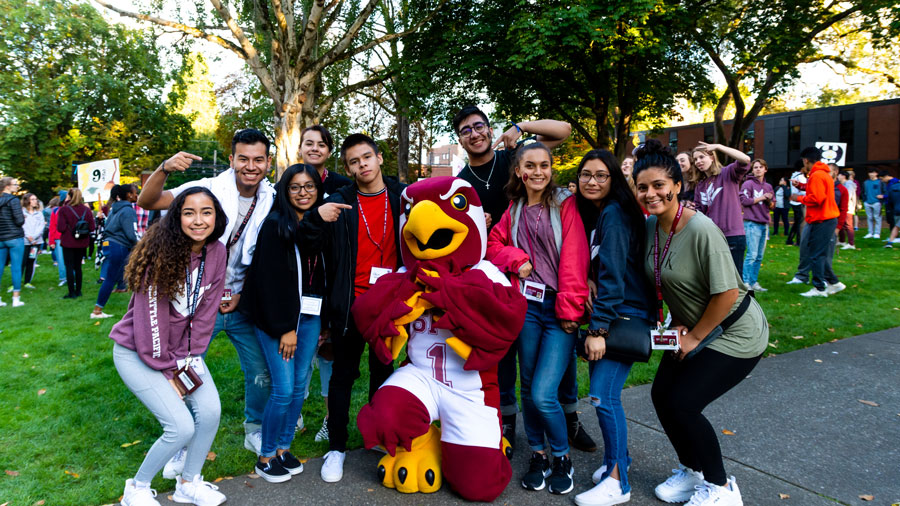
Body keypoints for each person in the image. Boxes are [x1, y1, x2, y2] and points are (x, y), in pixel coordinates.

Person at [633, 139, 767, 506]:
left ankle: (722, 489)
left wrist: (693, 337)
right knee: (661, 395)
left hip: (735, 330)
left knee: (684, 404)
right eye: (642, 187)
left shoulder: (701, 229)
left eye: (659, 185)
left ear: (677, 185)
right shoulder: (651, 227)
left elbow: (724, 294)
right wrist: (678, 322)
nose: (651, 193)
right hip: (693, 326)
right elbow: (673, 281)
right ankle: (692, 472)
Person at [451, 106, 592, 454]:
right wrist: (476, 224)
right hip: (496, 276)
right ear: (460, 139)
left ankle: (569, 419)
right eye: (466, 130)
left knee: (559, 359)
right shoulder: (460, 181)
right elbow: (456, 229)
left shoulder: (515, 156)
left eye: (479, 126)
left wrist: (521, 125)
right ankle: (510, 424)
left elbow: (562, 130)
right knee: (509, 359)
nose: (475, 133)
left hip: (547, 277)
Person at [137, 128, 277, 470]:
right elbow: (148, 201)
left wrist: (241, 293)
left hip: (239, 301)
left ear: (268, 163)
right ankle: (182, 440)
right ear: (231, 160)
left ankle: (254, 428)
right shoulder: (208, 190)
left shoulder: (271, 197)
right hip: (195, 303)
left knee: (261, 371)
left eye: (258, 159)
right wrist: (165, 168)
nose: (250, 166)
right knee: (181, 370)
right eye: (243, 158)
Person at [110, 188, 228, 506]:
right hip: (137, 352)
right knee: (179, 426)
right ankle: (136, 487)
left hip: (179, 355)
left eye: (207, 212)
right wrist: (167, 370)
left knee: (211, 411)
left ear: (217, 216)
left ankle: (188, 483)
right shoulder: (162, 253)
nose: (198, 220)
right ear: (177, 217)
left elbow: (206, 312)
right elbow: (152, 321)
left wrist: (190, 357)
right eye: (189, 212)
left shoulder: (216, 252)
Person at [486, 142, 589, 495]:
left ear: (551, 167)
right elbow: (493, 244)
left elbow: (575, 259)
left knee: (545, 392)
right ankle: (539, 454)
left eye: (544, 165)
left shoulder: (566, 204)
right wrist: (516, 259)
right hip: (527, 309)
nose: (538, 172)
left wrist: (571, 310)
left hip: (560, 310)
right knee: (528, 387)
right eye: (530, 165)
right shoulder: (513, 210)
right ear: (518, 170)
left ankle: (562, 455)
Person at [240, 163, 350, 483]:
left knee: (300, 385)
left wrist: (325, 320)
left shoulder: (322, 225)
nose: (303, 193)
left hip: (312, 315)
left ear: (319, 189)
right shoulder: (276, 225)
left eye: (309, 187)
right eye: (295, 187)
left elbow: (325, 276)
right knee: (284, 390)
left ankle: (284, 448)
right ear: (285, 192)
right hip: (279, 320)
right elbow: (269, 283)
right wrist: (286, 327)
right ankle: (266, 454)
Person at [318, 133, 407, 483]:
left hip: (391, 303)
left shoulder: (404, 197)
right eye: (354, 162)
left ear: (380, 157)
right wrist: (317, 215)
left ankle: (380, 438)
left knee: (384, 374)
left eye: (367, 157)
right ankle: (336, 449)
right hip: (352, 304)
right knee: (343, 376)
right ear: (348, 167)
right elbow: (313, 242)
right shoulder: (341, 201)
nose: (362, 165)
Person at [572, 150, 654, 506]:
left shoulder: (616, 214)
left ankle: (618, 481)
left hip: (621, 315)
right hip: (615, 311)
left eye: (601, 176)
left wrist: (598, 330)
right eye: (586, 175)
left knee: (604, 397)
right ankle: (613, 463)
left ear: (613, 180)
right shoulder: (604, 213)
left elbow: (615, 276)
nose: (592, 182)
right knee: (605, 396)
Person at [691, 142, 752, 275]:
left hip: (732, 236)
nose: (698, 161)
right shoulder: (700, 185)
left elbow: (746, 159)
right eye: (695, 159)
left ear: (712, 157)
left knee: (735, 281)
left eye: (702, 157)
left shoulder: (727, 173)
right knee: (717, 279)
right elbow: (699, 213)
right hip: (712, 237)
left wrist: (719, 147)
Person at [790, 147, 842, 297]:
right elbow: (816, 191)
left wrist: (798, 197)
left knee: (816, 254)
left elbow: (817, 199)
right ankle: (834, 283)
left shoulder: (817, 175)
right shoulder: (822, 174)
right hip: (826, 218)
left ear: (806, 160)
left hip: (822, 219)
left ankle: (820, 288)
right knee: (819, 253)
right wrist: (801, 186)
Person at [92, 185, 139, 319]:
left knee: (113, 277)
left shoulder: (114, 209)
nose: (137, 195)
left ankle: (99, 308)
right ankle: (97, 311)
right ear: (129, 195)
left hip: (109, 244)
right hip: (119, 246)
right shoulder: (128, 211)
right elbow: (132, 234)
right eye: (135, 193)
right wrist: (142, 245)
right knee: (111, 278)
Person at [740, 159, 774, 292]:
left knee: (759, 255)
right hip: (751, 223)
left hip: (764, 223)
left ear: (765, 169)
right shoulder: (748, 184)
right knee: (752, 254)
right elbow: (743, 200)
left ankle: (753, 282)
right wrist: (762, 198)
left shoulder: (768, 186)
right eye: (755, 167)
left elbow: (772, 206)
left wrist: (769, 200)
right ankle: (745, 282)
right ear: (752, 170)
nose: (758, 169)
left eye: (761, 167)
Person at [57, 188, 96, 299]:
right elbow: (92, 227)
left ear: (69, 196)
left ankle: (71, 292)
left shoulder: (64, 210)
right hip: (82, 242)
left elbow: (61, 227)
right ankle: (78, 290)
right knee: (78, 267)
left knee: (69, 267)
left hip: (68, 242)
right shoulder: (86, 210)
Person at [300, 125, 352, 197]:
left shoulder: (344, 186)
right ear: (299, 149)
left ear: (329, 152)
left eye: (321, 145)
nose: (315, 149)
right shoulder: (286, 184)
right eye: (309, 144)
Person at [0, 177, 26, 307]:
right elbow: (19, 220)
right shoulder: (13, 200)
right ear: (7, 186)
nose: (17, 187)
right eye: (15, 184)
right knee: (16, 268)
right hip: (14, 237)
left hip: (1, 238)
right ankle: (16, 299)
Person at [21, 193, 45, 289]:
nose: (36, 201)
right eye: (33, 199)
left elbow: (41, 226)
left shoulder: (39, 213)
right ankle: (17, 281)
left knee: (31, 261)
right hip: (24, 242)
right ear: (27, 201)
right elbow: (21, 226)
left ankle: (27, 281)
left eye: (36, 199)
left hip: (35, 243)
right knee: (22, 262)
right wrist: (28, 237)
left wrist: (34, 238)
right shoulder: (22, 213)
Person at [786, 160, 808, 245]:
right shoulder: (801, 177)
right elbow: (804, 191)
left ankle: (790, 239)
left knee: (797, 222)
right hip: (799, 201)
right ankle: (798, 241)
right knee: (800, 223)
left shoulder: (793, 175)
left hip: (794, 201)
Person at [48, 193, 68, 287]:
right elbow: (52, 226)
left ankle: (72, 277)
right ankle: (63, 277)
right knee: (61, 259)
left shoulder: (71, 209)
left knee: (70, 259)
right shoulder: (56, 210)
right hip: (59, 238)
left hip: (69, 238)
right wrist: (51, 241)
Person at [838, 171, 856, 249]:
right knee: (841, 224)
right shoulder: (843, 184)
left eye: (839, 175)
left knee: (848, 225)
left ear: (843, 176)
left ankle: (851, 244)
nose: (838, 176)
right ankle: (842, 241)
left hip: (848, 208)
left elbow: (848, 196)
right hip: (843, 207)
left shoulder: (849, 184)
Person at [862, 168, 883, 239]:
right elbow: (863, 192)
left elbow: (884, 191)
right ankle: (870, 232)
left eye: (873, 173)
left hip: (876, 202)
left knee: (877, 217)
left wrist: (881, 197)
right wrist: (864, 200)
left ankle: (877, 233)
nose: (871, 174)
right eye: (870, 173)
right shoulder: (866, 182)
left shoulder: (880, 182)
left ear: (876, 173)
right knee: (869, 218)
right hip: (867, 202)